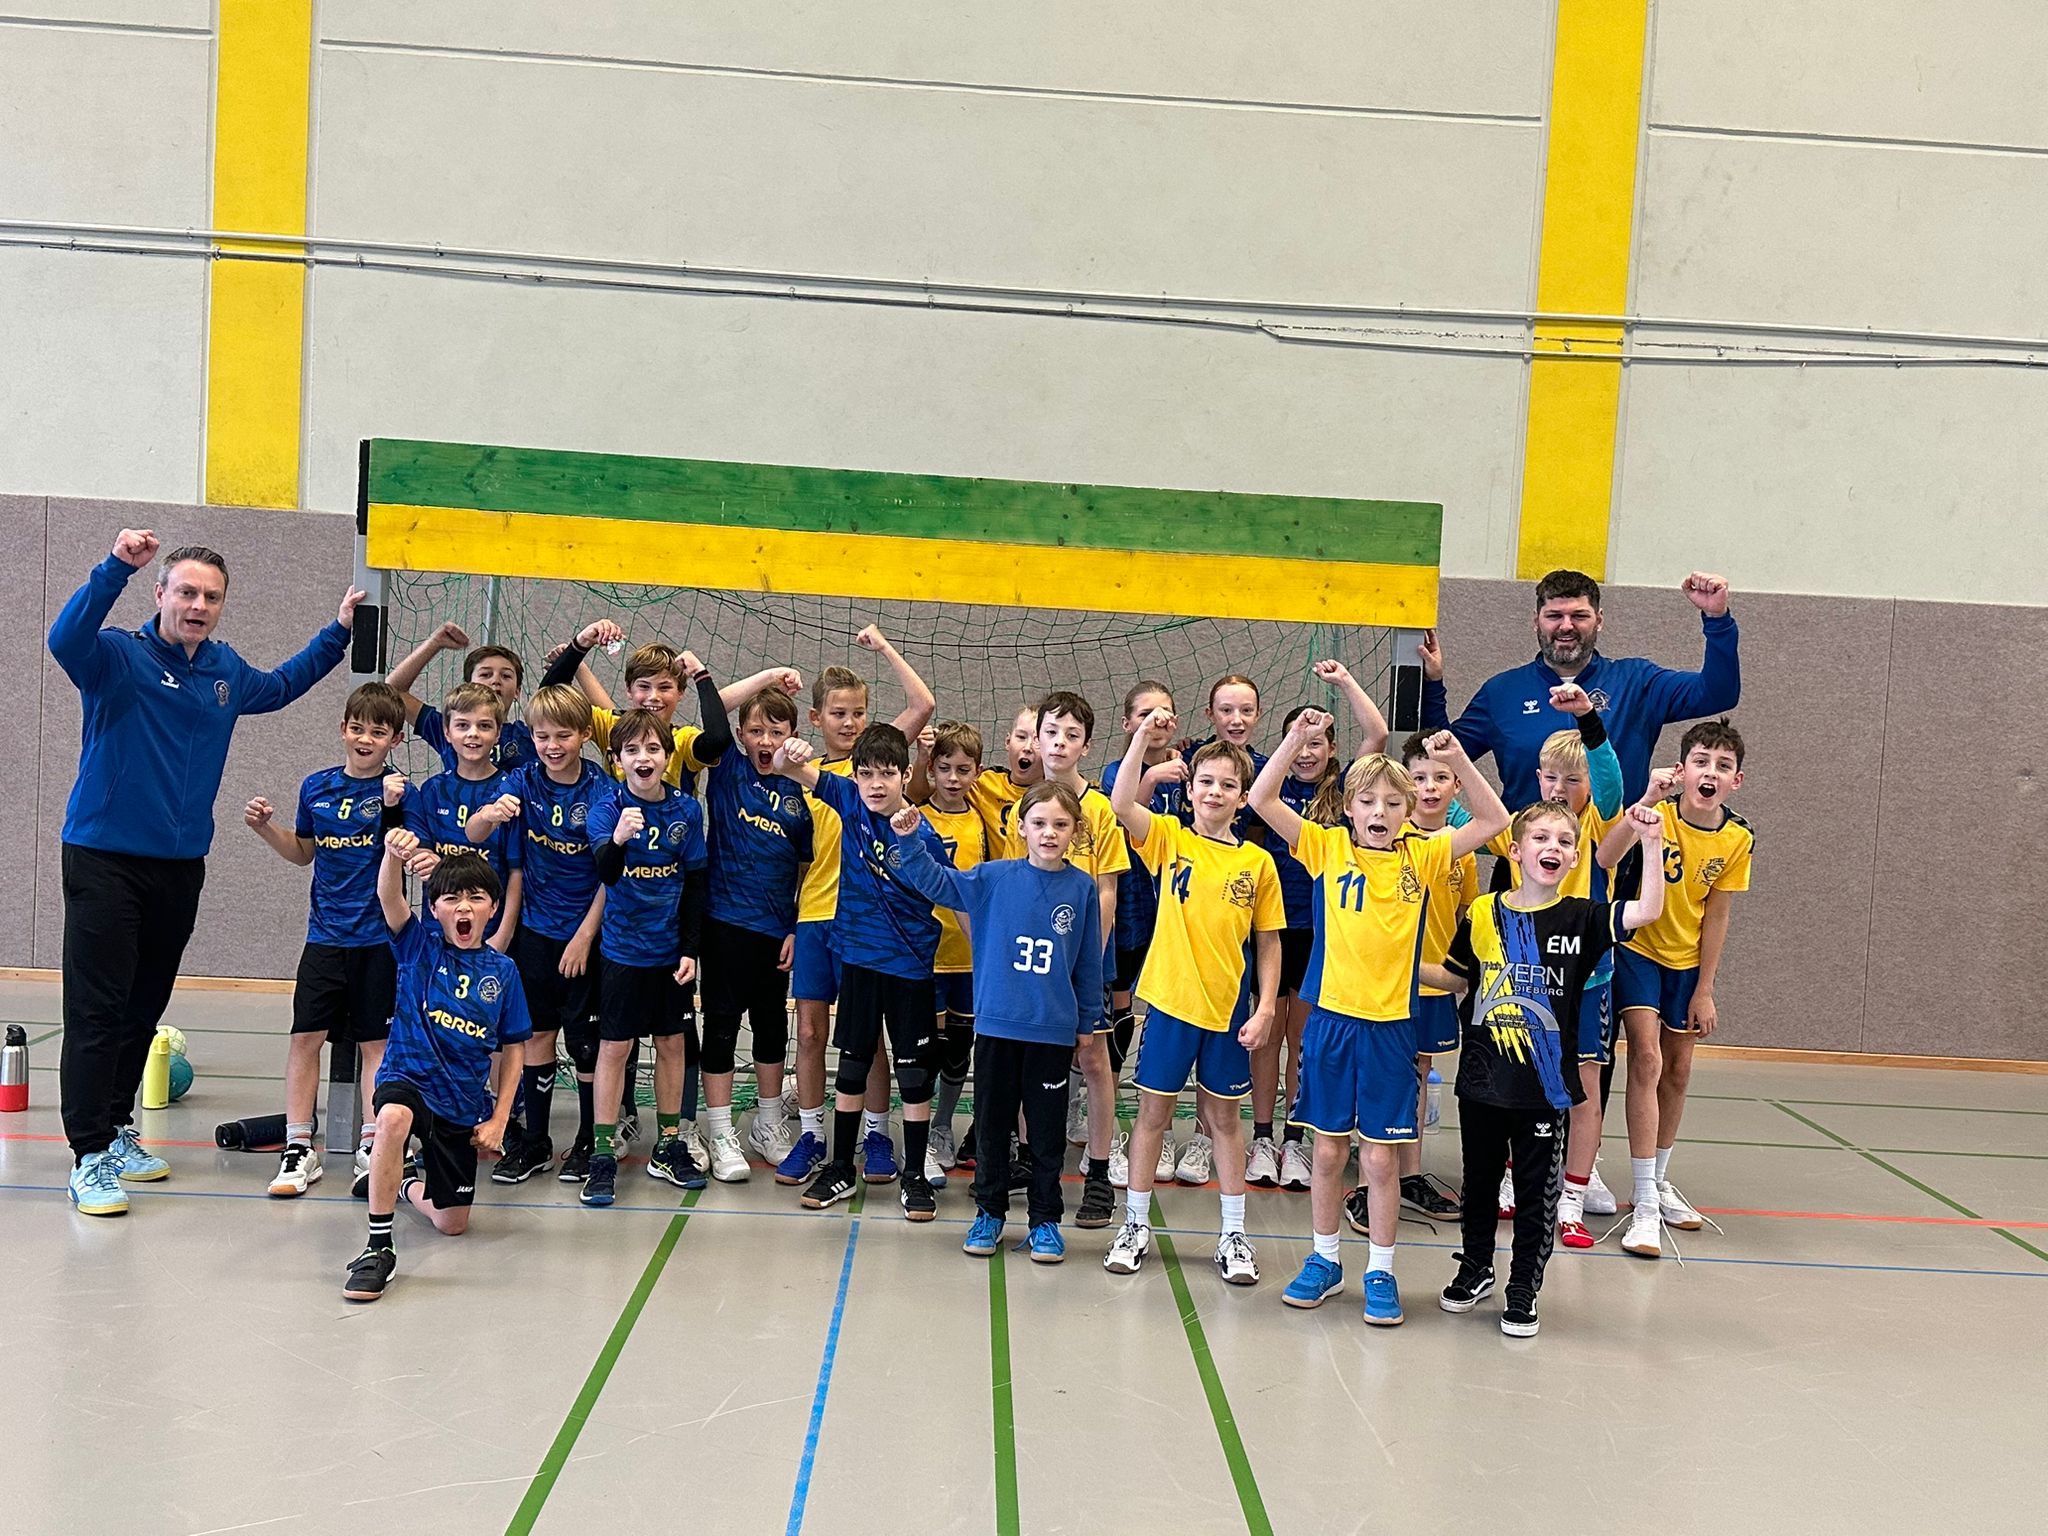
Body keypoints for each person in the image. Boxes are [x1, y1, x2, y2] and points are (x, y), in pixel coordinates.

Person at [50, 529, 362, 1217]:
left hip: (179, 865)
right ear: (161, 593)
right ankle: (88, 1154)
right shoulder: (117, 657)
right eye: (186, 592)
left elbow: (280, 686)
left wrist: (338, 632)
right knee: (98, 1009)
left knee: (143, 1005)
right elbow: (64, 640)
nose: (198, 606)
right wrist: (114, 567)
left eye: (211, 597)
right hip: (104, 858)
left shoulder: (223, 671)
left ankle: (118, 1126)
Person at [1249, 716, 1507, 1327]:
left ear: (1408, 810)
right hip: (1331, 1024)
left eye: (1394, 802)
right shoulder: (1327, 847)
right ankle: (1325, 1260)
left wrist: (1459, 760)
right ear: (1349, 808)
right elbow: (1260, 798)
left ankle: (1381, 1270)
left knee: (1381, 1160)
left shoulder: (1425, 854)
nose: (1380, 811)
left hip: (1392, 1028)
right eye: (1367, 801)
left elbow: (1495, 820)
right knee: (1328, 1152)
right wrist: (1295, 740)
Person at [1435, 800, 1666, 1336]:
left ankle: (1523, 1287)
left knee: (1536, 1194)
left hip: (1543, 1088)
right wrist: (1390, 961)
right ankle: (1475, 1268)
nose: (1553, 848)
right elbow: (1455, 977)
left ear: (1575, 857)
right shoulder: (1483, 912)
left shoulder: (1583, 918)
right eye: (1540, 838)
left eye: (1564, 841)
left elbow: (1648, 910)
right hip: (1482, 1080)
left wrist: (1651, 842)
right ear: (1516, 852)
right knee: (1479, 1184)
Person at [889, 782, 1104, 1263]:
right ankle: (989, 1213)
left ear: (1075, 830)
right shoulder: (993, 878)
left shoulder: (1082, 888)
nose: (1049, 833)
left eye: (1061, 824)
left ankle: (1045, 1221)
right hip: (997, 1030)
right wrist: (909, 838)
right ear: (1021, 827)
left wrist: (1087, 1020)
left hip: (1051, 1031)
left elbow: (1088, 961)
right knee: (991, 1127)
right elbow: (936, 882)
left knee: (1045, 1134)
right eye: (1040, 823)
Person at [1103, 715, 1283, 1286]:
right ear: (1190, 789)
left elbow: (1268, 941)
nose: (1215, 792)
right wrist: (1141, 739)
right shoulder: (1170, 839)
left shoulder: (1257, 863)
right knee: (1153, 1116)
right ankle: (1134, 1224)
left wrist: (1266, 1007)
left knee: (1223, 1121)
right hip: (1170, 1004)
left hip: (1228, 1012)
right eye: (1206, 782)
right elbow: (1121, 803)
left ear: (1243, 797)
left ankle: (1233, 1234)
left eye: (1228, 785)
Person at [242, 681, 415, 1199]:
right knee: (305, 1039)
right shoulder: (316, 787)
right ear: (342, 729)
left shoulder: (400, 793)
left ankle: (372, 1146)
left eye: (378, 732)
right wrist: (266, 828)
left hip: (378, 942)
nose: (365, 739)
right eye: (357, 728)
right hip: (324, 939)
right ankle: (299, 1146)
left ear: (395, 740)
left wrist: (392, 810)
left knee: (375, 1044)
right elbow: (303, 853)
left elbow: (405, 855)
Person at [778, 629, 936, 1188]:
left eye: (859, 713)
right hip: (816, 916)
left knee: (868, 1038)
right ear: (816, 718)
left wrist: (886, 648)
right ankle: (811, 1136)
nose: (849, 723)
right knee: (812, 1033)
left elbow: (922, 704)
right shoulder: (827, 778)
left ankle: (876, 1134)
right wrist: (792, 752)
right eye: (838, 714)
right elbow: (784, 770)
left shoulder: (875, 765)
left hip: (870, 929)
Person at [343, 841, 530, 1303]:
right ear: (434, 909)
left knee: (452, 1223)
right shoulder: (418, 947)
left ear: (493, 908)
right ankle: (378, 1247)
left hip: (460, 1102)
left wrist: (500, 1118)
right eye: (451, 899)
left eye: (476, 898)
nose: (463, 908)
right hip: (408, 1079)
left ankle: (401, 1182)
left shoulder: (503, 973)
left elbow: (514, 1049)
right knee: (391, 1118)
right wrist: (392, 854)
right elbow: (389, 896)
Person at [1600, 718, 1754, 1258]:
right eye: (1701, 762)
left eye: (1723, 766)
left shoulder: (1738, 838)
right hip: (1638, 950)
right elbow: (1605, 857)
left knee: (1679, 1069)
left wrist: (1705, 988)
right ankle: (1643, 1201)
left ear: (1736, 780)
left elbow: (1718, 915)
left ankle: (1659, 1180)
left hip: (1686, 964)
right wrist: (1643, 803)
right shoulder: (1657, 814)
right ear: (1682, 770)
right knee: (1646, 1059)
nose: (1711, 772)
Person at [459, 683, 614, 1184]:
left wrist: (585, 936)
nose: (552, 746)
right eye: (542, 736)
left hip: (585, 935)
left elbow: (610, 875)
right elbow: (474, 834)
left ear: (584, 735)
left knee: (586, 1042)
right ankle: (537, 1141)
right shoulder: (522, 779)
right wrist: (487, 814)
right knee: (537, 1034)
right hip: (536, 934)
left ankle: (589, 1139)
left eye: (563, 736)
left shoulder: (601, 790)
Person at [1421, 570, 1740, 803]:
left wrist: (1716, 618)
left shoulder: (1636, 681)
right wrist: (1433, 683)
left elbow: (1718, 694)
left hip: (1615, 860)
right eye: (1554, 616)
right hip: (1525, 861)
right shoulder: (1501, 693)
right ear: (1536, 621)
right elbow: (1439, 756)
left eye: (1579, 616)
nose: (1566, 626)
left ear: (1599, 620)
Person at [996, 692, 1130, 1231]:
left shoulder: (1100, 810)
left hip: (1083, 958)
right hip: (1034, 959)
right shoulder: (1023, 811)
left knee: (1094, 1060)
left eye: (1071, 735)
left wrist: (1084, 959)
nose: (1058, 744)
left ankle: (1098, 1172)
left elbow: (1107, 891)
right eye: (1050, 733)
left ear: (1086, 746)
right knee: (1031, 1057)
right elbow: (1017, 884)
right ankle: (1032, 1159)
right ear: (1035, 738)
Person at [581, 709, 715, 1207]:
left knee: (673, 1044)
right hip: (622, 952)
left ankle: (670, 1143)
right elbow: (606, 872)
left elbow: (696, 883)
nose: (644, 758)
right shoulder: (606, 808)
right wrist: (618, 838)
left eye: (653, 749)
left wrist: (690, 950)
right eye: (632, 750)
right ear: (617, 759)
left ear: (666, 757)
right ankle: (602, 1153)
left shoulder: (686, 810)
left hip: (669, 954)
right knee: (615, 1048)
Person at [696, 685, 811, 1181]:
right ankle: (721, 1131)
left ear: (793, 735)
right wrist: (770, 674)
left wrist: (796, 925)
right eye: (756, 730)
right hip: (724, 924)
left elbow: (808, 867)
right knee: (721, 1026)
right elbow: (713, 708)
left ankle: (767, 1124)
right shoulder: (727, 768)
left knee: (770, 1028)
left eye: (777, 731)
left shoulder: (802, 791)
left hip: (776, 932)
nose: (766, 740)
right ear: (741, 735)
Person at [1097, 681, 1181, 1184]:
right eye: (1145, 714)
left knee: (1166, 1016)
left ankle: (1161, 1125)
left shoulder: (1189, 770)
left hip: (1174, 914)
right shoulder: (1119, 770)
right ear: (1129, 723)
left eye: (1164, 712)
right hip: (1129, 911)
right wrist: (1152, 776)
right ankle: (1101, 1110)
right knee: (1118, 1007)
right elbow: (1122, 812)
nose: (1156, 720)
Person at [912, 721, 990, 1183]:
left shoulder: (981, 821)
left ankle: (942, 1124)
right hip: (926, 953)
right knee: (925, 1048)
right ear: (932, 769)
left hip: (968, 955)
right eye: (945, 768)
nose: (954, 778)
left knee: (960, 1048)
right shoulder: (916, 816)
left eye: (963, 769)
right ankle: (919, 1130)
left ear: (977, 772)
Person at [403, 682, 523, 948]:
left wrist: (504, 934)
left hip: (490, 931)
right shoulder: (432, 790)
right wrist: (421, 859)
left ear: (498, 733)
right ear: (447, 732)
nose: (473, 734)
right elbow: (420, 853)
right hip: (437, 928)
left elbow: (516, 871)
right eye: (462, 725)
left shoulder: (510, 791)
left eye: (484, 726)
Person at [385, 620, 533, 773]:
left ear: (517, 691)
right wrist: (435, 642)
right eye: (485, 674)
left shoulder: (530, 737)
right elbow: (392, 690)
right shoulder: (450, 728)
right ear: (468, 686)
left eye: (506, 676)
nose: (496, 680)